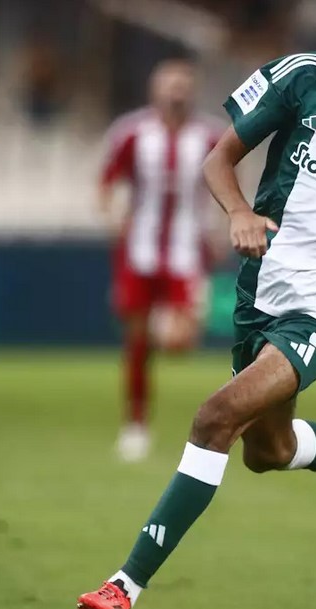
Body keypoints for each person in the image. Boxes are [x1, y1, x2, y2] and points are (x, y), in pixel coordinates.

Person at [79, 1, 316, 608]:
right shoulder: (303, 78)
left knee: (215, 417)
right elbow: (218, 159)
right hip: (262, 290)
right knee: (269, 451)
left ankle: (123, 586)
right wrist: (238, 211)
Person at [99, 58, 225, 463]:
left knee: (179, 342)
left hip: (187, 251)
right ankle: (135, 425)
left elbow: (228, 184)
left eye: (183, 86)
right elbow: (107, 181)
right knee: (136, 343)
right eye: (169, 85)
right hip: (139, 252)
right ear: (154, 90)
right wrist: (113, 217)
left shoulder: (210, 136)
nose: (176, 93)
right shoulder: (132, 132)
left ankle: (161, 326)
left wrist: (224, 227)